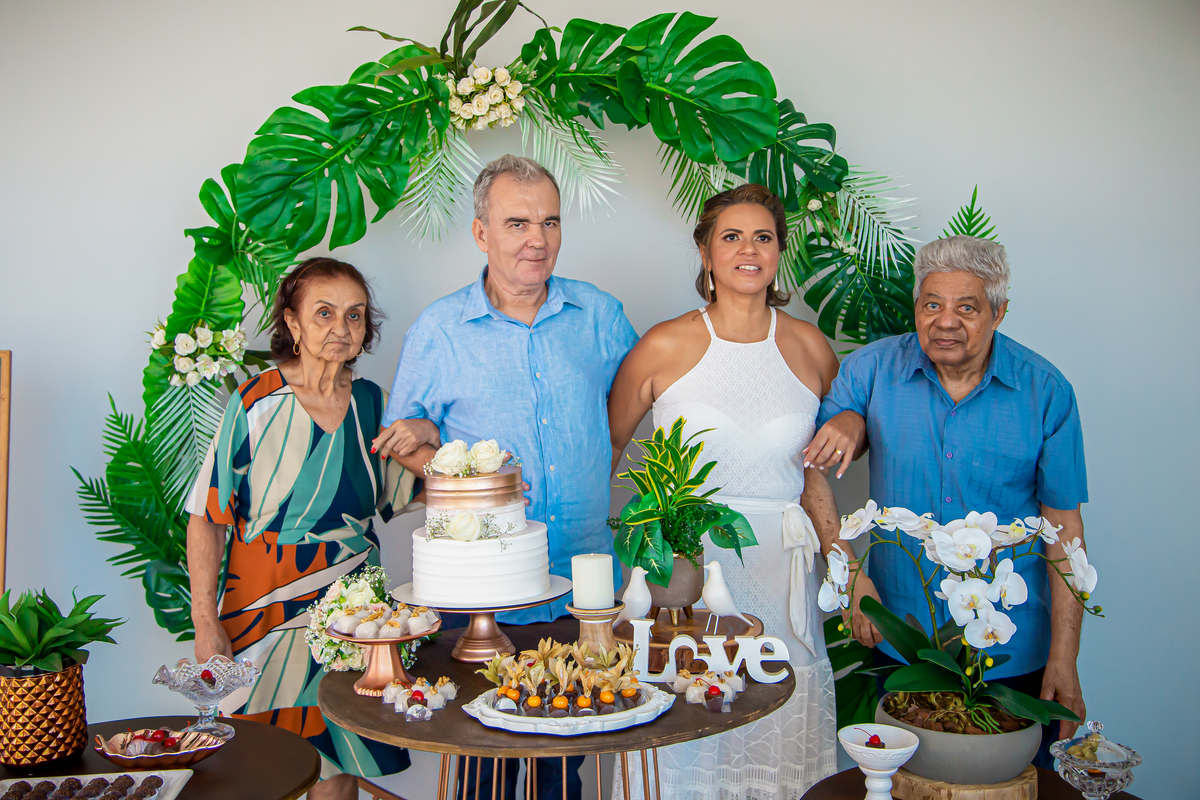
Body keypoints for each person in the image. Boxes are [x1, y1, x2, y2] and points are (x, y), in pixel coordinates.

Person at [374, 154, 638, 799]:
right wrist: (467, 484)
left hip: (581, 589)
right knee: (480, 766)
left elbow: (630, 405)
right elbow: (401, 441)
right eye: (517, 223)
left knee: (564, 763)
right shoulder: (440, 329)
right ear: (481, 232)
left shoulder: (600, 315)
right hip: (480, 600)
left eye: (550, 222)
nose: (536, 240)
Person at [807, 235, 1090, 764]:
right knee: (911, 786)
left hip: (1011, 648)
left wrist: (1064, 655)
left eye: (967, 308)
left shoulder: (1046, 391)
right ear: (916, 306)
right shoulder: (872, 371)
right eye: (932, 304)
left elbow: (1065, 531)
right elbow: (810, 471)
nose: (945, 322)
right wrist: (849, 576)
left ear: (999, 313)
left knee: (1015, 785)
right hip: (901, 638)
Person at [607, 184, 841, 799]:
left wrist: (845, 563)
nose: (748, 250)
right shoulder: (663, 344)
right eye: (731, 237)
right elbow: (605, 454)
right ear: (706, 253)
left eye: (763, 237)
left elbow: (825, 461)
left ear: (779, 252)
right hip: (684, 573)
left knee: (775, 720)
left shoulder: (810, 347)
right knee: (687, 729)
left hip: (783, 571)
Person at [186, 258, 428, 800]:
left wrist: (432, 439)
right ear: (292, 323)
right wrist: (205, 621)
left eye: (355, 315)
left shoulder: (373, 404)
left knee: (339, 766)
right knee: (259, 766)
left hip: (352, 614)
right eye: (324, 313)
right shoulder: (254, 403)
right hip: (262, 609)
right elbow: (206, 516)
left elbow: (416, 491)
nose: (342, 327)